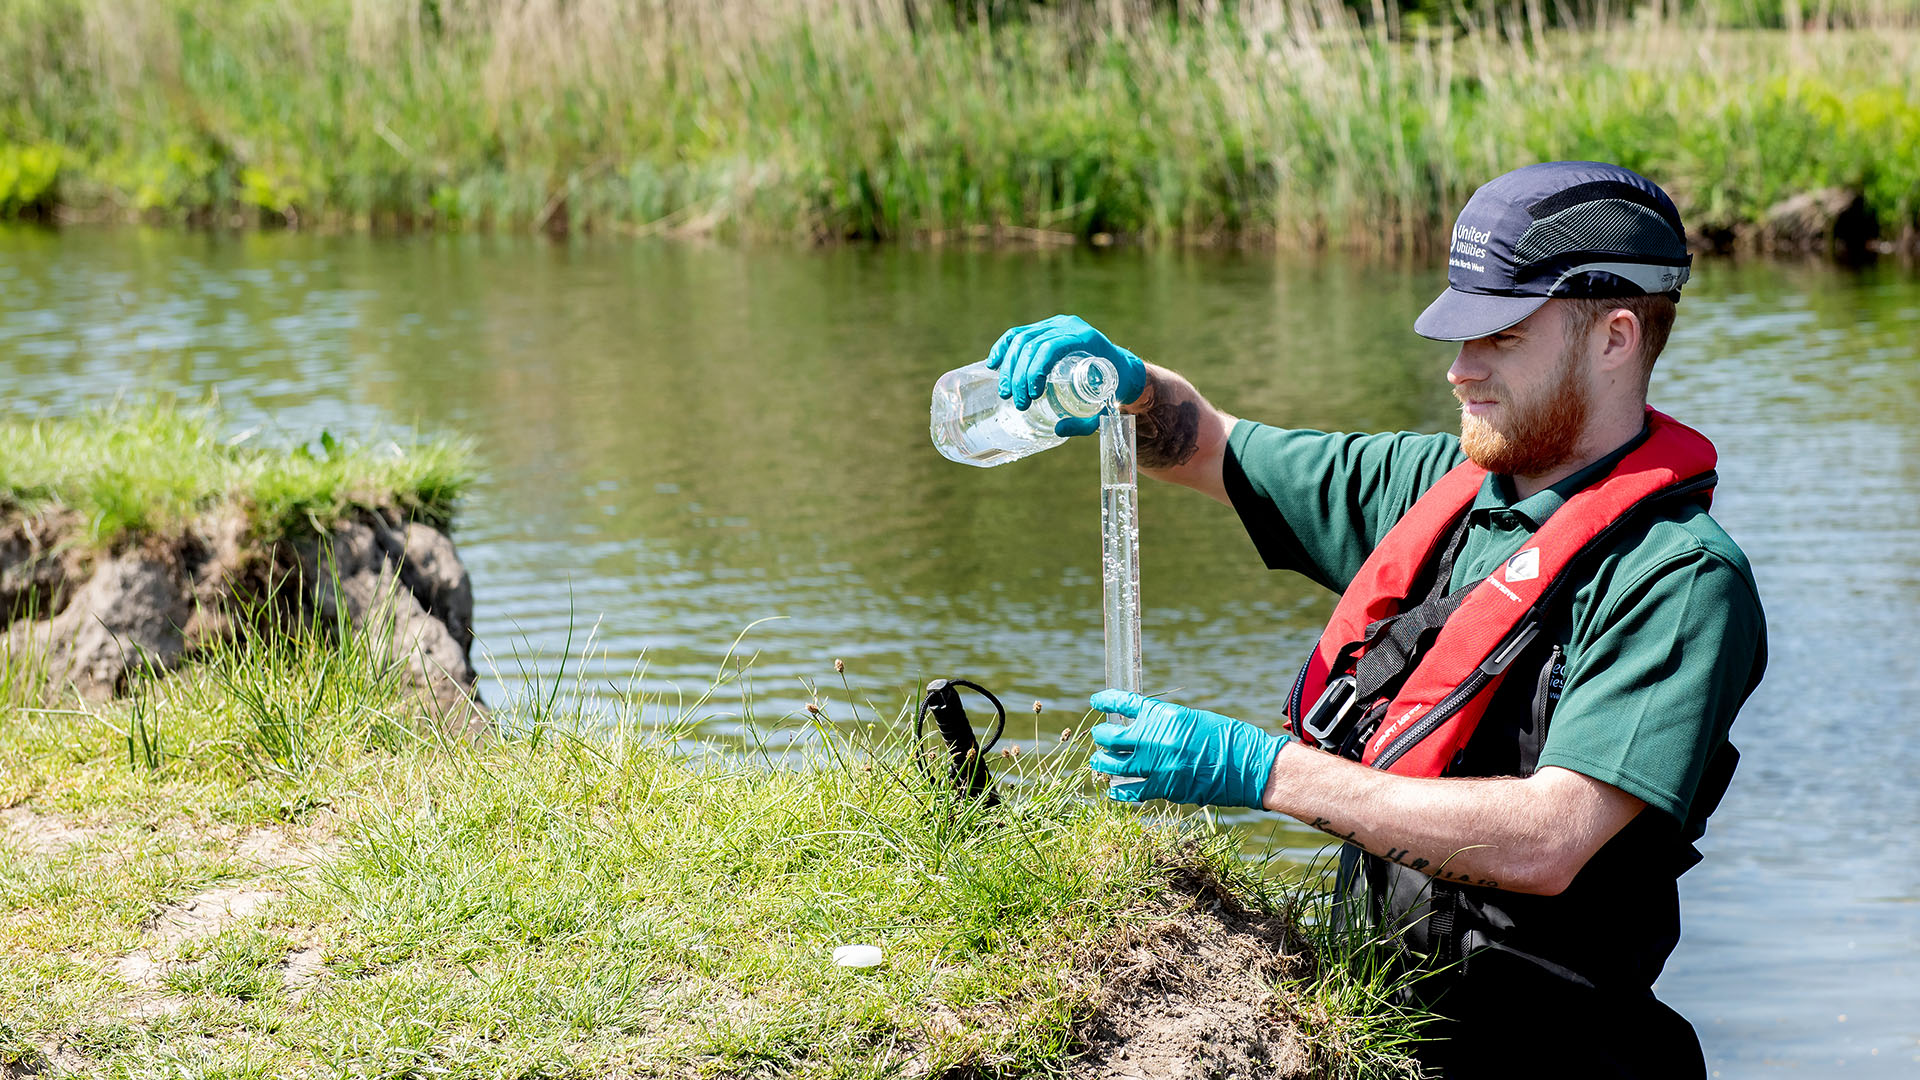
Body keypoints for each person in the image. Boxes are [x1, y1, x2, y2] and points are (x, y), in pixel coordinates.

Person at [983, 162, 1766, 1078]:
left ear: (1615, 337)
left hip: (1557, 1057)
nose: (1458, 368)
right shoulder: (1428, 488)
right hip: (1379, 1039)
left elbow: (1552, 838)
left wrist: (1263, 772)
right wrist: (1124, 389)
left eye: (1499, 338)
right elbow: (1204, 443)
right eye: (1457, 333)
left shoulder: (1679, 578)